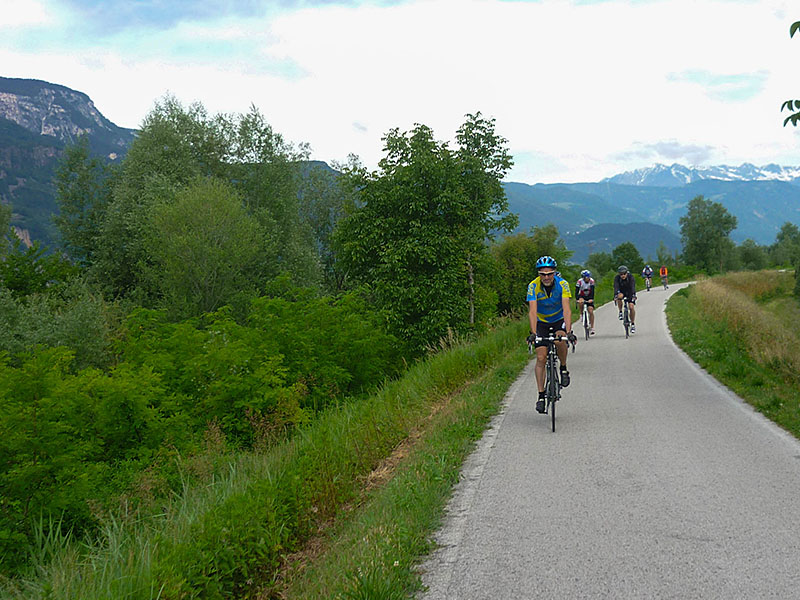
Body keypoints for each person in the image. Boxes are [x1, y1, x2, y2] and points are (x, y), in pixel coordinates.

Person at [527, 256, 576, 414]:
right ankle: (541, 396)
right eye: (543, 274)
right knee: (541, 358)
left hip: (558, 319)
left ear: (555, 273)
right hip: (541, 322)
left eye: (549, 273)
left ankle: (563, 368)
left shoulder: (563, 284)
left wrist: (568, 332)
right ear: (539, 274)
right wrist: (534, 333)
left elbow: (567, 309)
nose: (546, 277)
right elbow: (532, 311)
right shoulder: (533, 286)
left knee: (560, 339)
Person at [613, 265, 637, 334]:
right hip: (621, 291)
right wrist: (616, 295)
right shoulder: (617, 278)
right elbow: (616, 287)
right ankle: (620, 311)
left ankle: (632, 324)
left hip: (629, 292)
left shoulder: (630, 277)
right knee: (619, 297)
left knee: (631, 307)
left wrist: (633, 295)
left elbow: (633, 287)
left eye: (624, 274)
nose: (622, 275)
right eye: (621, 274)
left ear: (627, 273)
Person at [575, 269, 596, 335]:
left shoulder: (592, 281)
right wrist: (578, 298)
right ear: (583, 278)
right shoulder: (579, 282)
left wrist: (591, 299)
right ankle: (581, 314)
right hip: (582, 295)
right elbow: (576, 291)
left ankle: (592, 327)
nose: (587, 279)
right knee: (581, 303)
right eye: (586, 277)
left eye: (588, 277)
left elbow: (592, 291)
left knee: (590, 311)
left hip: (589, 296)